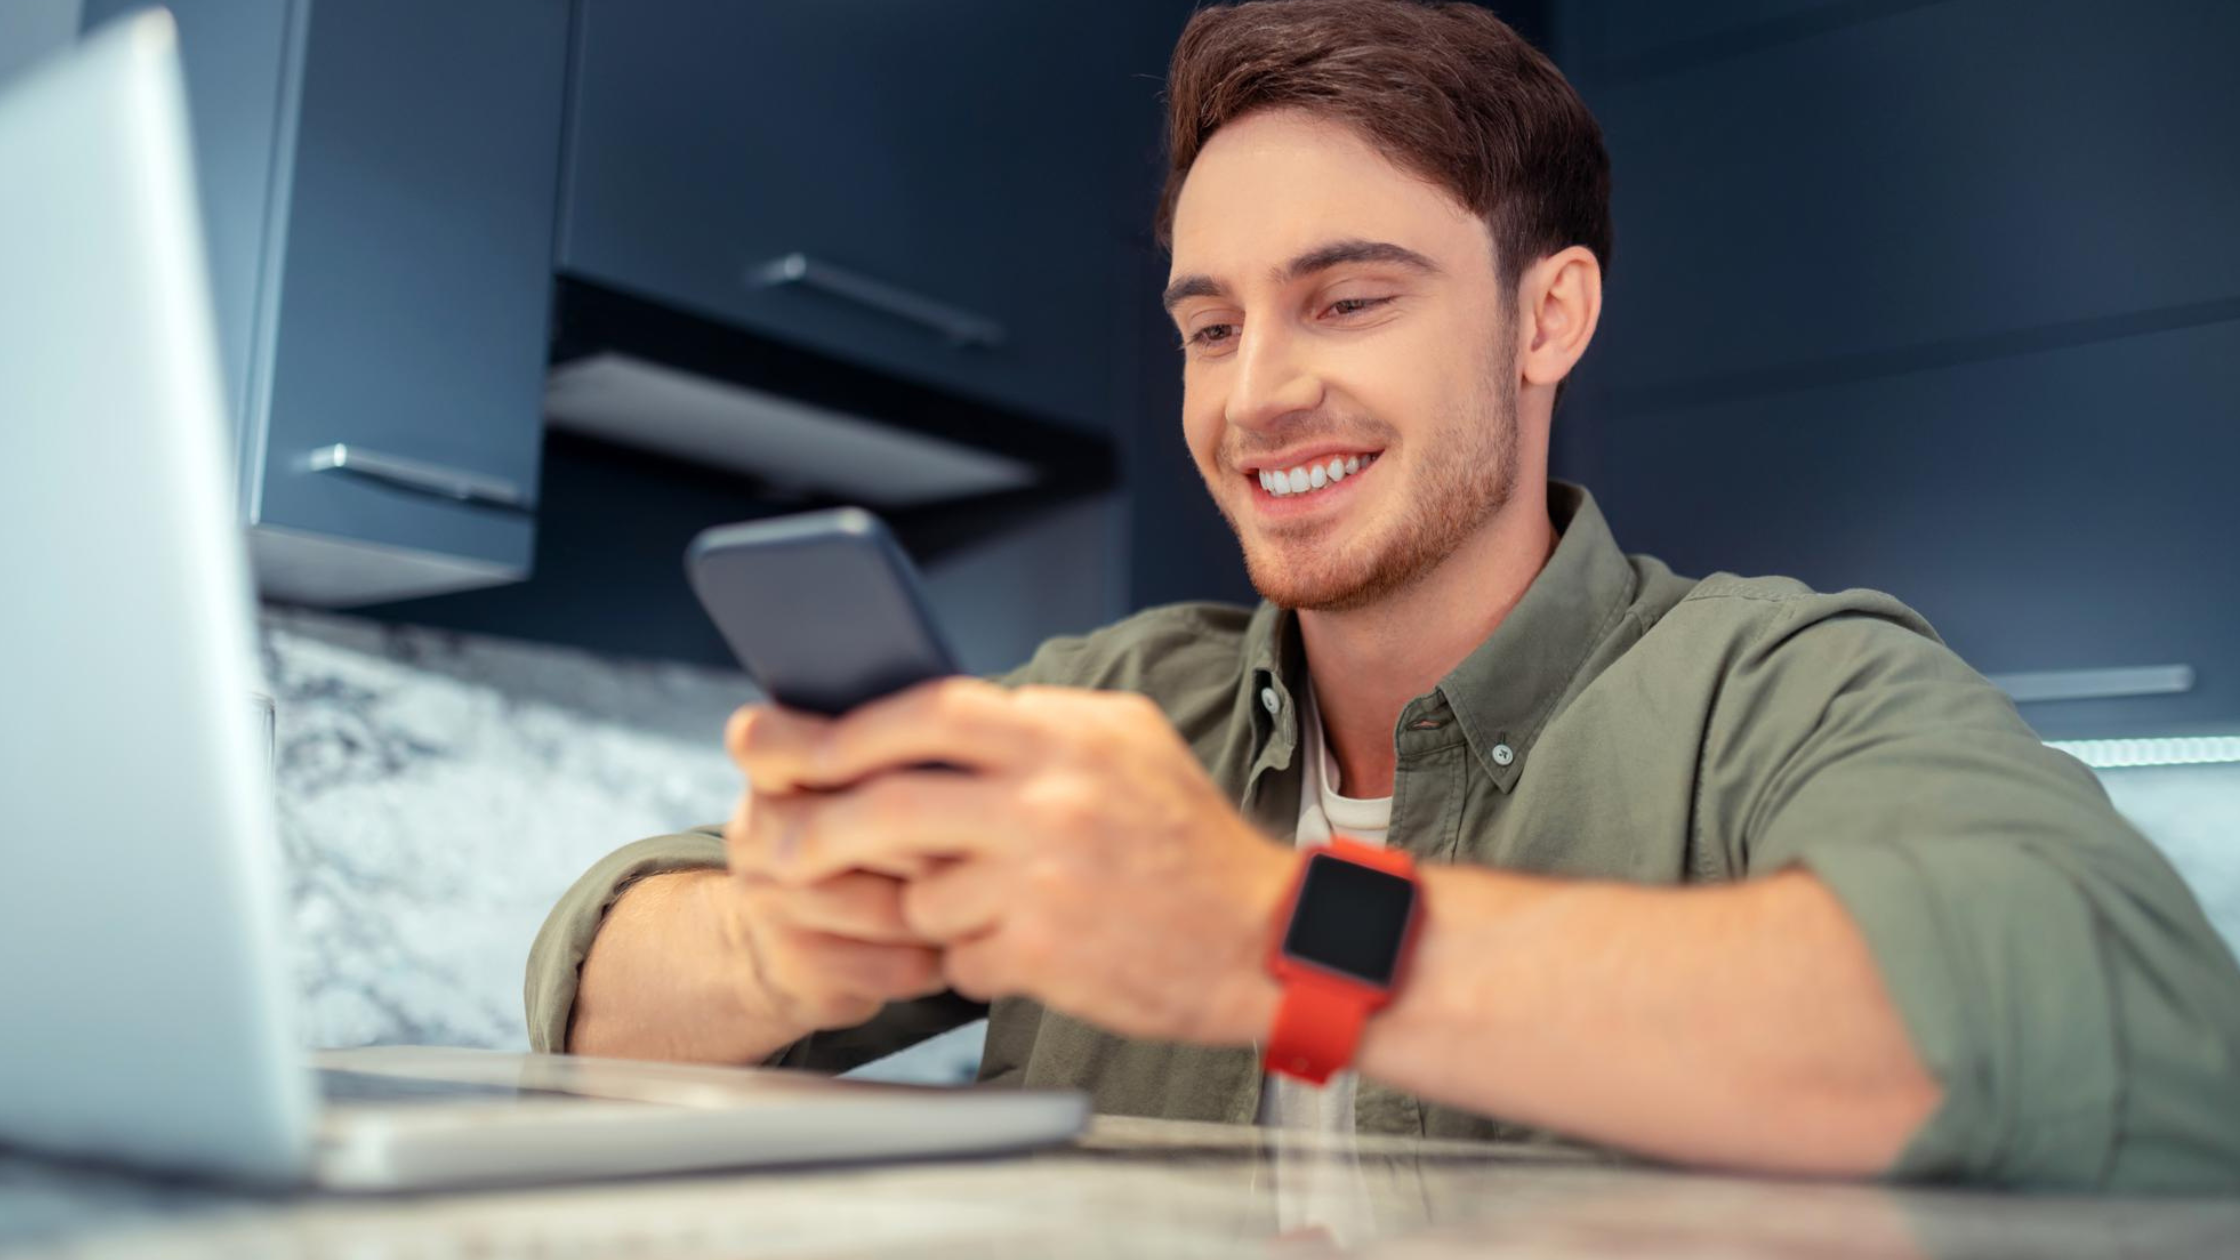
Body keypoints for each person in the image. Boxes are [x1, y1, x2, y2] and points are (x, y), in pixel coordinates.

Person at [525, 0, 2240, 1190]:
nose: (1255, 391)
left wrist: (1275, 934)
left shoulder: (1778, 688)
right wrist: (781, 937)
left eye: (1348, 300)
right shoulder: (1117, 703)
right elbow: (593, 991)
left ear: (1548, 317)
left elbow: (2132, 1027)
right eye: (1211, 324)